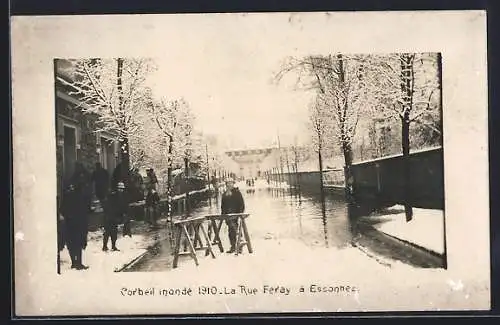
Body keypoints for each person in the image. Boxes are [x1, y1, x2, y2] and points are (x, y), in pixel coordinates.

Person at [61, 166, 92, 270]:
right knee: (76, 241)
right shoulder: (79, 192)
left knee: (73, 242)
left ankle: (76, 262)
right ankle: (77, 262)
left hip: (74, 220)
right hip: (77, 220)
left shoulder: (72, 192)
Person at [221, 178, 245, 253]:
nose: (229, 185)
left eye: (231, 183)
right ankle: (233, 246)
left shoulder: (237, 192)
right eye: (228, 183)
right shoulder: (225, 194)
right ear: (226, 184)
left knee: (236, 229)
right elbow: (223, 206)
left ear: (233, 184)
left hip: (235, 215)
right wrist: (223, 215)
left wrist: (240, 213)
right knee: (230, 231)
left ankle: (239, 246)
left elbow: (241, 204)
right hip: (228, 216)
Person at [103, 182, 128, 251]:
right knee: (107, 232)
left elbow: (122, 206)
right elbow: (108, 205)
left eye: (122, 189)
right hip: (109, 216)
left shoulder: (122, 196)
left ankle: (113, 246)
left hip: (115, 217)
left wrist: (123, 213)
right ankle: (104, 246)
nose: (121, 190)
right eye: (120, 189)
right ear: (117, 188)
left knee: (114, 232)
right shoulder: (112, 195)